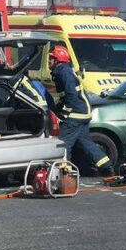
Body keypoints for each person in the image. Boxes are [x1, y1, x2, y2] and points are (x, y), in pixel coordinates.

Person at [47, 45, 114, 176]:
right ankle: (107, 167)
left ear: (57, 60)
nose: (48, 61)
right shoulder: (63, 70)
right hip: (83, 112)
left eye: (51, 58)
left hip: (76, 114)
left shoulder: (62, 71)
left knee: (63, 142)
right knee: (84, 142)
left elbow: (71, 94)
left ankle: (65, 173)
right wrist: (57, 108)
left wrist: (65, 114)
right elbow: (65, 96)